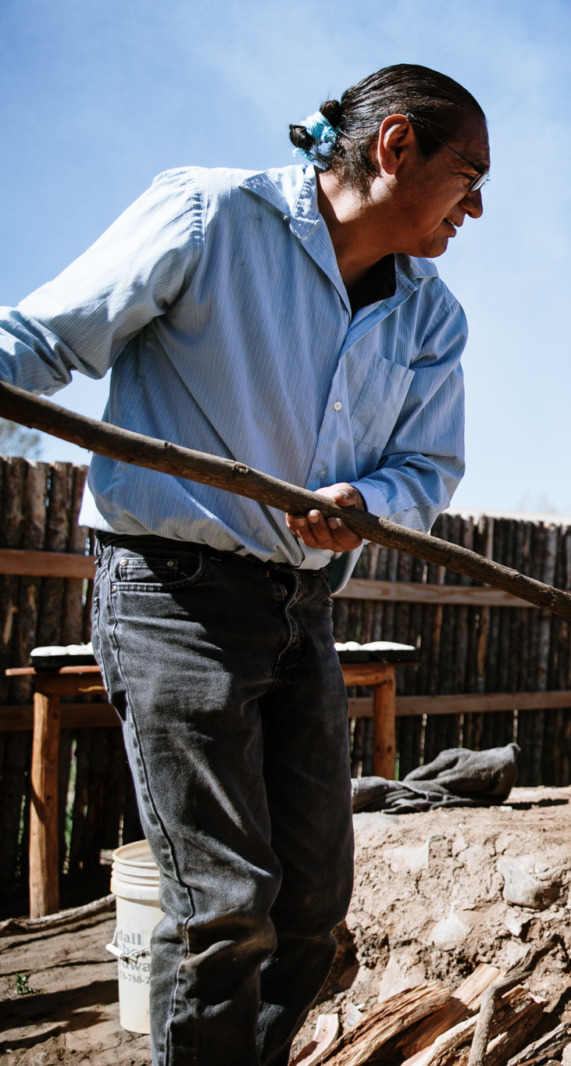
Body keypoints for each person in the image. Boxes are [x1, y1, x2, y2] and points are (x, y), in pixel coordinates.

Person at [0, 64, 488, 1064]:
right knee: (222, 910)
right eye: (467, 175)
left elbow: (424, 464)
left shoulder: (430, 317)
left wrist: (374, 504)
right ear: (394, 147)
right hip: (173, 594)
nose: (477, 207)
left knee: (310, 905)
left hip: (300, 607)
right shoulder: (210, 218)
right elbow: (41, 341)